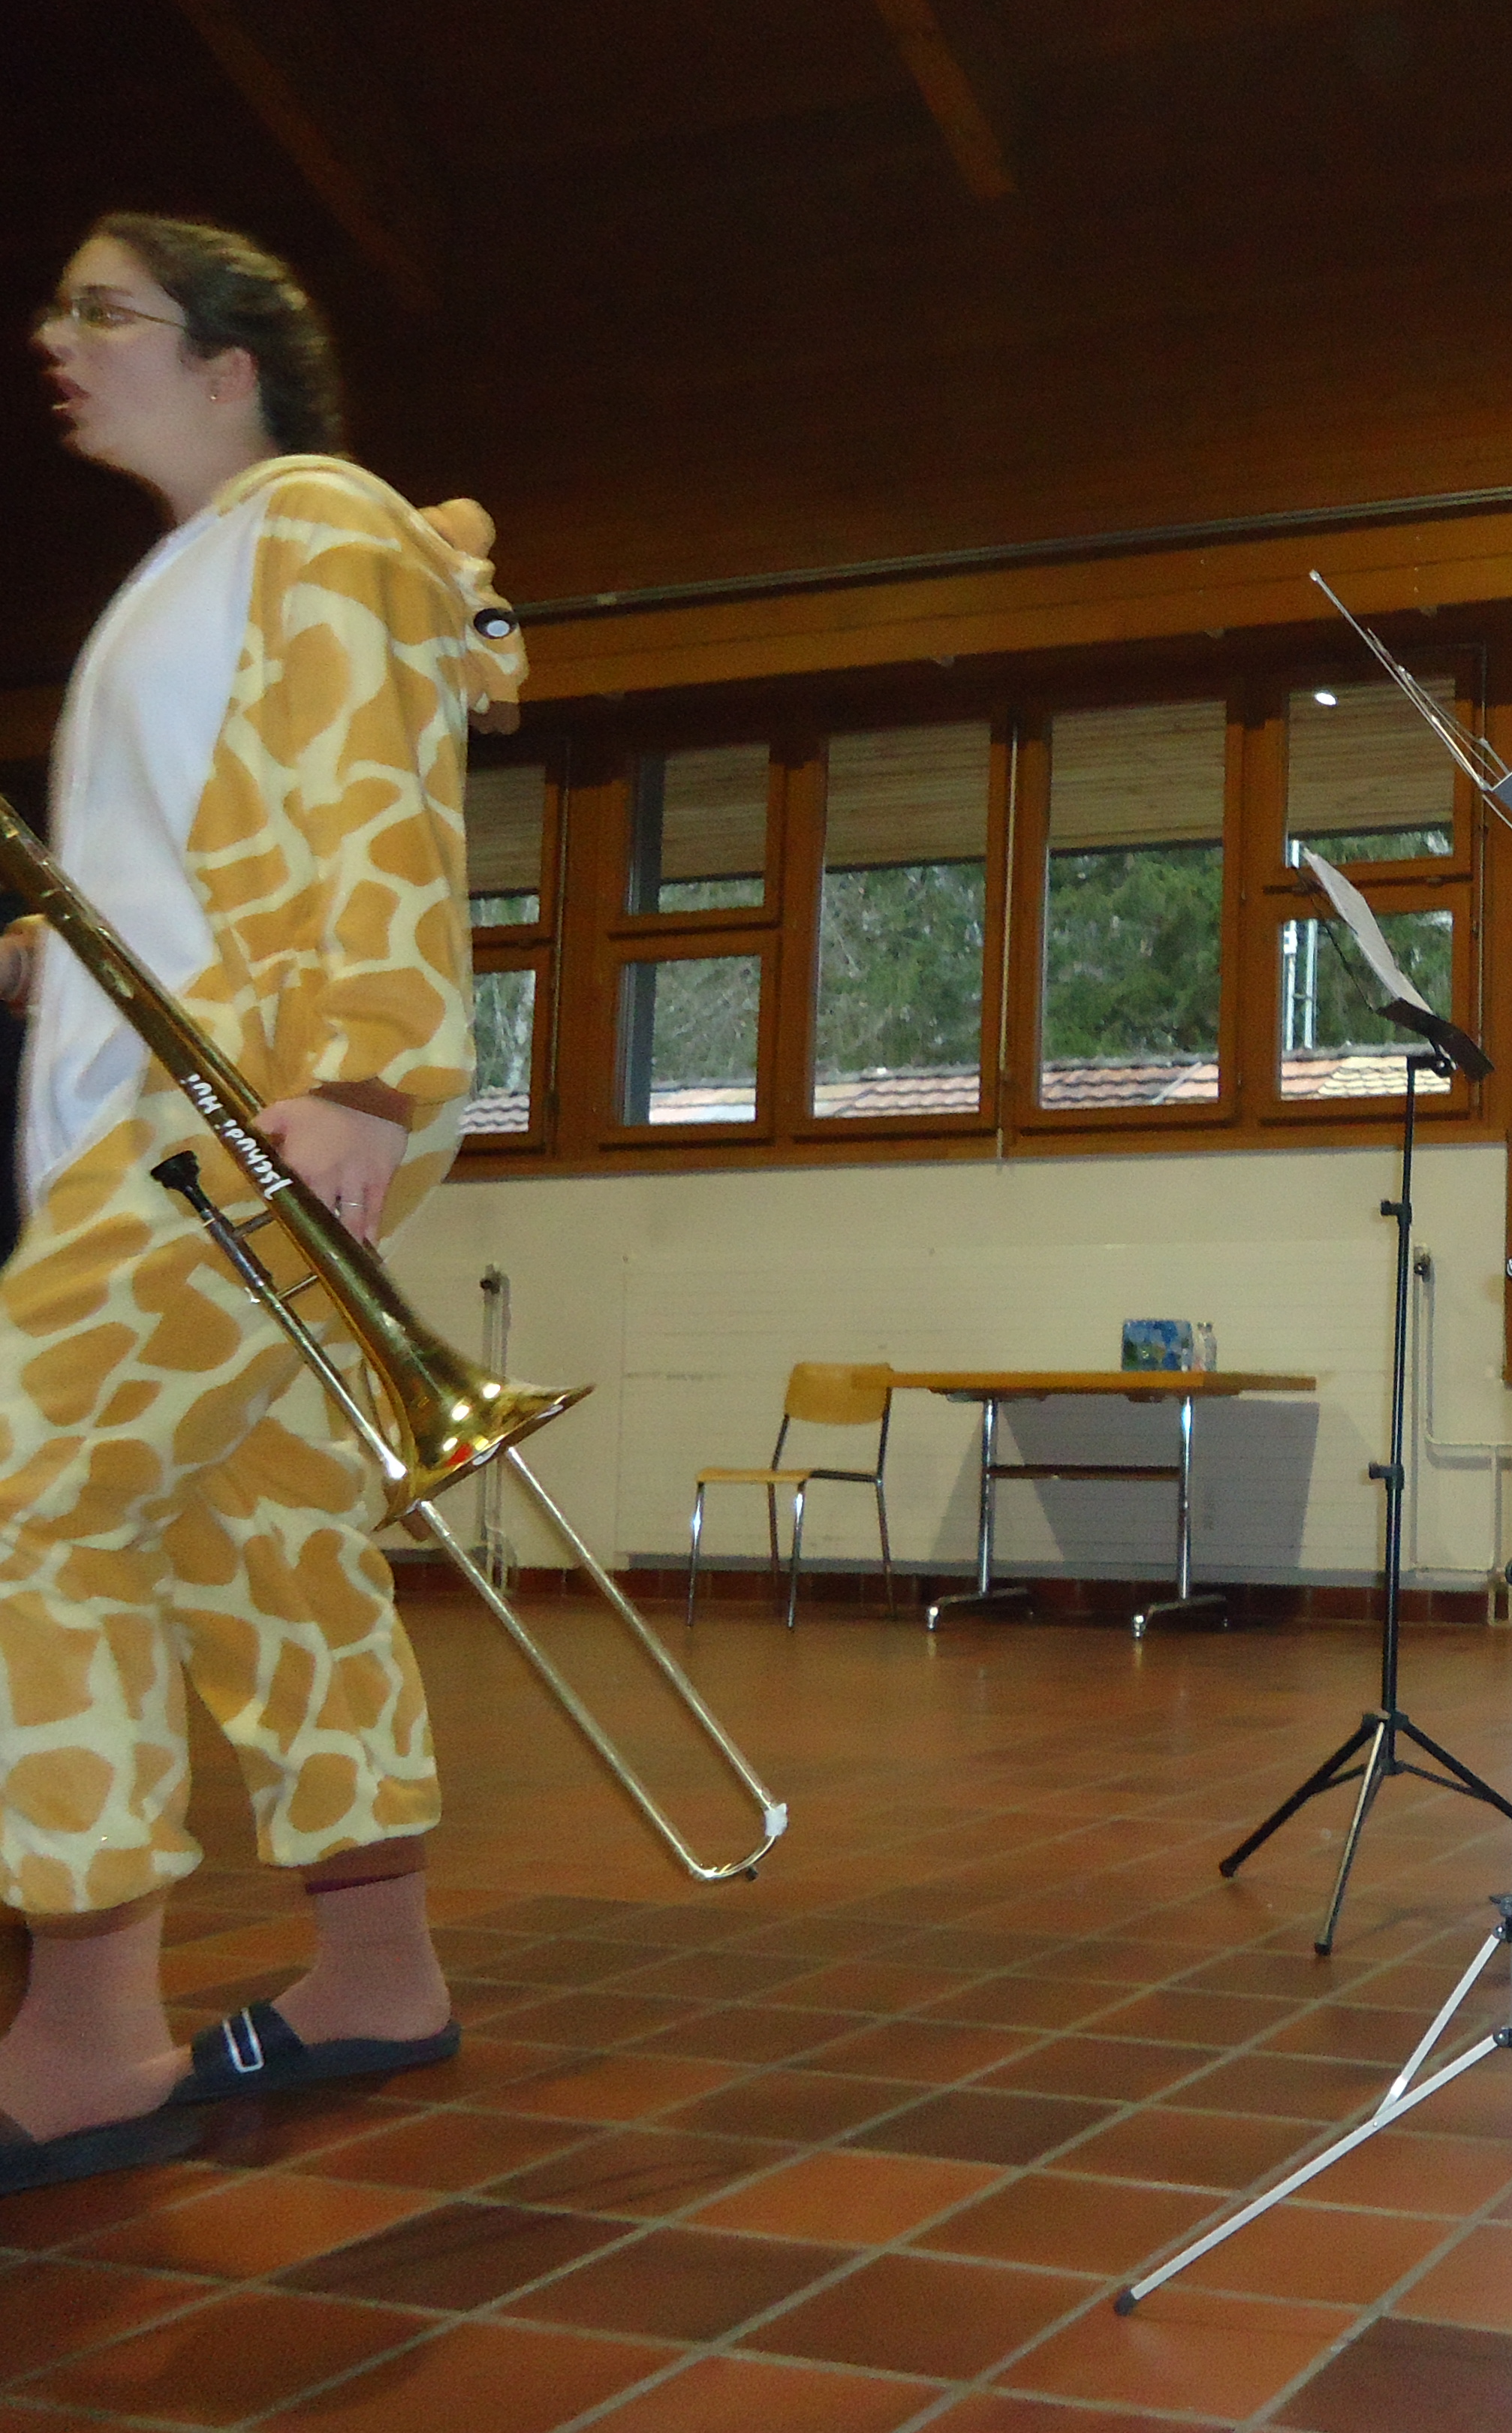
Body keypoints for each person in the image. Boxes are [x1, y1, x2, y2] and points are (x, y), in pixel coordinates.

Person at [0, 215, 520, 2196]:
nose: (56, 336)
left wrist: (368, 1072)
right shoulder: (199, 564)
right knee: (268, 1529)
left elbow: (372, 790)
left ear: (231, 363)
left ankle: (84, 2033)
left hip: (244, 1110)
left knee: (25, 1491)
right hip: (218, 1088)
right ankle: (377, 1974)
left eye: (104, 309)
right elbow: (211, 860)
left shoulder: (309, 516)